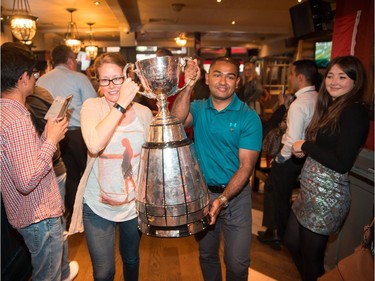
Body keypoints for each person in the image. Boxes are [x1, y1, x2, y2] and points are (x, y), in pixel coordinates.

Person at [171, 57, 262, 281]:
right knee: (207, 254)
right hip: (202, 195)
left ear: (237, 82)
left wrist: (222, 199)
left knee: (237, 264)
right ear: (208, 78)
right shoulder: (199, 108)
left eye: (230, 76)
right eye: (217, 74)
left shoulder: (248, 118)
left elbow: (246, 166)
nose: (223, 81)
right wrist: (189, 84)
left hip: (236, 198)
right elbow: (175, 120)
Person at [283, 55, 370, 281]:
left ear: (355, 80)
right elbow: (327, 146)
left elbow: (341, 162)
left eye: (342, 76)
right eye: (330, 75)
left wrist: (307, 145)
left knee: (312, 259)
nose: (334, 81)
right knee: (292, 242)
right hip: (310, 193)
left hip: (327, 198)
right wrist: (306, 149)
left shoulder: (355, 111)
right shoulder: (333, 106)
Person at [68, 52, 153, 281]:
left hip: (133, 206)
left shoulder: (144, 113)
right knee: (104, 272)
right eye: (105, 80)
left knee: (131, 259)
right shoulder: (92, 107)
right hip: (97, 206)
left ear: (128, 77)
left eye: (117, 78)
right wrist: (121, 104)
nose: (111, 85)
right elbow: (95, 145)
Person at [0, 43, 71, 280]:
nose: (36, 79)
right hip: (38, 215)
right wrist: (51, 140)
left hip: (23, 214)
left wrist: (47, 135)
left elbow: (22, 160)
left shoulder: (5, 111)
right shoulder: (18, 118)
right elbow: (26, 180)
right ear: (23, 78)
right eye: (34, 73)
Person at [258, 60, 322, 248]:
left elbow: (293, 140)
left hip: (292, 157)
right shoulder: (319, 98)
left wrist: (279, 158)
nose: (290, 78)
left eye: (291, 74)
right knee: (284, 194)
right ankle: (280, 232)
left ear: (300, 77)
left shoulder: (299, 104)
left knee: (278, 194)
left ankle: (277, 233)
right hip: (309, 157)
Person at [37, 45, 98, 219]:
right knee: (88, 174)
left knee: (68, 175)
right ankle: (89, 212)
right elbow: (93, 104)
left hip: (51, 135)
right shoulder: (79, 78)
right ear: (70, 61)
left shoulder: (41, 80)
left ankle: (73, 213)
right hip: (79, 133)